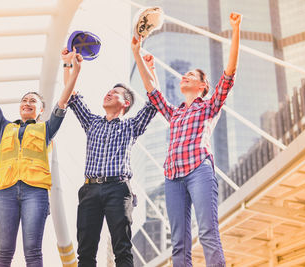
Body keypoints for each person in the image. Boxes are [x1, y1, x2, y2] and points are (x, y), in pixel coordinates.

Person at [131, 12, 242, 267]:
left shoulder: (209, 106)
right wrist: (137, 54)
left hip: (199, 171)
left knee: (207, 233)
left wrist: (235, 30)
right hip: (172, 177)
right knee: (179, 242)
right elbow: (152, 91)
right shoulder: (175, 112)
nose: (184, 77)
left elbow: (230, 73)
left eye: (191, 75)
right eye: (184, 75)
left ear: (203, 86)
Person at [0, 48, 82, 267]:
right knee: (3, 251)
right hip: (5, 191)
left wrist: (73, 70)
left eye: (33, 101)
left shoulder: (47, 129)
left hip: (34, 193)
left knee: (33, 252)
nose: (27, 102)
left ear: (41, 110)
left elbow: (63, 101)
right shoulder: (3, 126)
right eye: (24, 100)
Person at [61, 47, 157, 267]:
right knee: (85, 252)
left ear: (125, 103)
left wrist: (151, 70)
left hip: (118, 189)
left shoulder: (131, 126)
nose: (109, 93)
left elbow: (154, 103)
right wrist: (68, 64)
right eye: (108, 91)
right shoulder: (92, 122)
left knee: (122, 249)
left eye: (115, 93)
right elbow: (71, 96)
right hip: (90, 189)